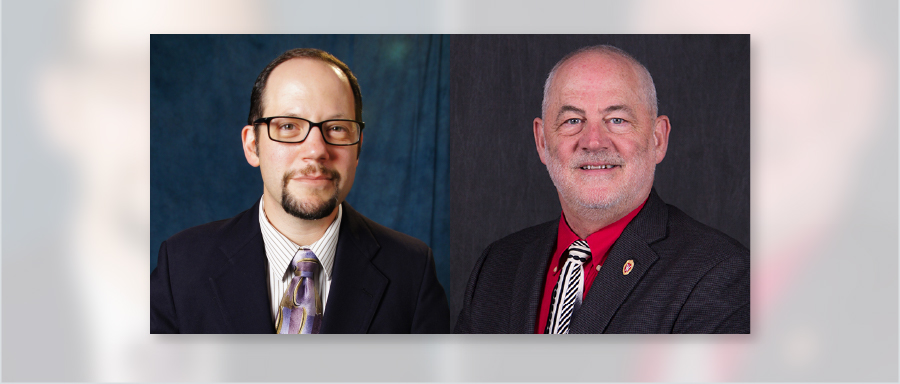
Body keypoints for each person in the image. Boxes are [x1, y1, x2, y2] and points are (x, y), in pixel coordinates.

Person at [151, 48, 450, 334]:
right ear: (252, 145)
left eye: (336, 128)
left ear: (358, 147)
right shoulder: (180, 267)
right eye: (289, 126)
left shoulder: (412, 272)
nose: (316, 150)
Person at [454, 45, 749, 334]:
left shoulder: (721, 274)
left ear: (658, 139)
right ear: (542, 142)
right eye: (573, 121)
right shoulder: (498, 265)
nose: (593, 141)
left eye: (617, 120)